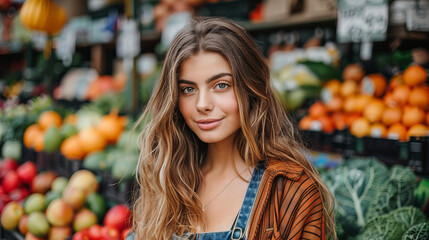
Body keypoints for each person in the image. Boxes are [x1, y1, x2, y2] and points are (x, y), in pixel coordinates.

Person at [130, 17, 336, 240]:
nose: (202, 104)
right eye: (189, 89)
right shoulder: (167, 178)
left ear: (251, 88)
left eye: (221, 85)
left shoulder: (292, 190)